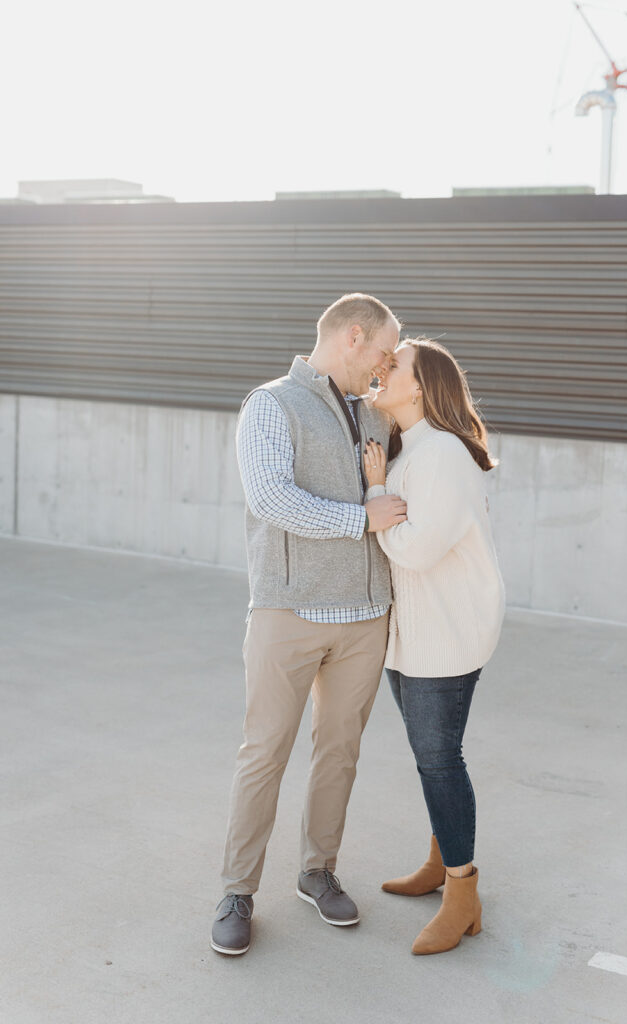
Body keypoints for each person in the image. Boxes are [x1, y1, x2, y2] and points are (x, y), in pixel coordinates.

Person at [211, 293, 407, 956]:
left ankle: (317, 872)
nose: (387, 365)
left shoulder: (379, 408)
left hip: (365, 615)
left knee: (339, 753)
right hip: (287, 611)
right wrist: (359, 521)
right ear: (353, 336)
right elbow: (269, 497)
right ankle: (237, 890)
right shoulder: (270, 403)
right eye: (383, 351)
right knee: (263, 753)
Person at [362, 337, 505, 956]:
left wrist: (374, 498)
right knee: (431, 757)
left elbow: (417, 549)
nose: (380, 368)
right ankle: (438, 862)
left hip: (446, 631)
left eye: (394, 365)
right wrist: (381, 493)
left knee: (440, 758)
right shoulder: (410, 449)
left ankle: (462, 893)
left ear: (420, 387)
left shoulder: (442, 454)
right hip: (415, 632)